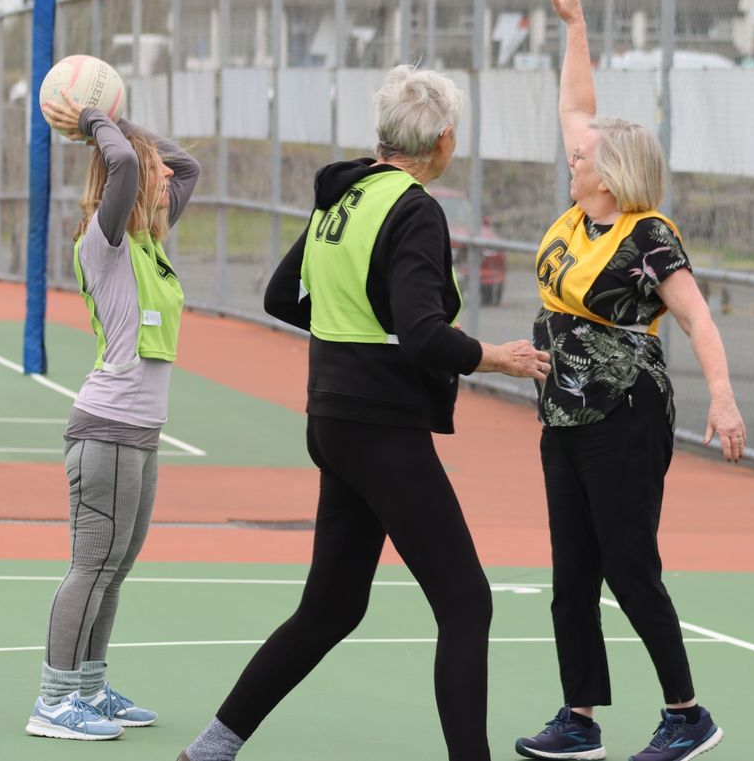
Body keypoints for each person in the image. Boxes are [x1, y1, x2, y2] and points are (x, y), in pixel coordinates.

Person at [177, 65, 550, 761]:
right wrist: (496, 356)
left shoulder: (341, 200)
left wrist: (356, 329)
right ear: (442, 141)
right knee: (467, 603)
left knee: (332, 607)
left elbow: (281, 296)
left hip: (335, 418)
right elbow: (421, 332)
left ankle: (207, 749)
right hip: (382, 428)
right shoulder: (413, 209)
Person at [515, 0, 744, 761]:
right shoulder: (579, 217)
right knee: (571, 571)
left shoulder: (646, 234)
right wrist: (576, 27)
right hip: (564, 408)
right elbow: (577, 103)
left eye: (584, 156)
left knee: (628, 565)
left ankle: (687, 712)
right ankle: (579, 717)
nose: (572, 156)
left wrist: (721, 394)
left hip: (625, 412)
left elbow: (698, 319)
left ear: (610, 173)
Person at [25, 90, 200, 740]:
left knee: (116, 565)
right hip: (105, 432)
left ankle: (88, 687)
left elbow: (189, 169)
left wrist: (123, 122)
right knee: (91, 563)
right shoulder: (104, 241)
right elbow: (124, 169)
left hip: (139, 437)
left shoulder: (151, 243)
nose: (162, 179)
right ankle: (53, 699)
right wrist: (93, 120)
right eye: (150, 171)